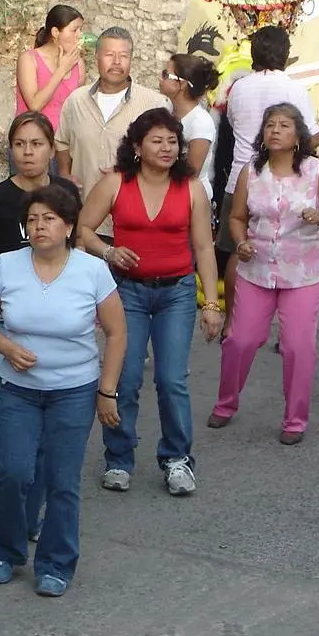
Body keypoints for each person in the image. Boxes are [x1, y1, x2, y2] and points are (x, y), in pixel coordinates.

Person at [0, 185, 127, 598]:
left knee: (62, 480)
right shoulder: (7, 265)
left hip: (74, 391)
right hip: (18, 390)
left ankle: (56, 563)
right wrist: (7, 347)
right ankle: (5, 552)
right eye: (33, 220)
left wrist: (107, 390)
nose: (39, 226)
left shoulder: (92, 271)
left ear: (69, 226)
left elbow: (117, 333)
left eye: (49, 219)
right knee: (13, 472)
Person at [78, 108, 222, 494]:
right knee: (125, 378)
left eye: (173, 141)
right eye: (156, 141)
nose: (166, 148)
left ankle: (177, 459)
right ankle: (118, 458)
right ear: (137, 147)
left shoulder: (191, 188)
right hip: (128, 291)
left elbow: (204, 248)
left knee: (171, 380)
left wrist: (211, 305)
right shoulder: (115, 183)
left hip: (177, 292)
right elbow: (83, 230)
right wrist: (109, 252)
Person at [0, 111, 79, 544]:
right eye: (20, 144)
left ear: (51, 148)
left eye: (37, 144)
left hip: (49, 324)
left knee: (43, 427)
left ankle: (27, 515)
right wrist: (16, 272)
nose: (28, 153)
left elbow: (75, 252)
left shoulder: (65, 195)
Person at [209, 103, 319, 444]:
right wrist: (241, 242)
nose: (275, 130)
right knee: (241, 340)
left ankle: (295, 421)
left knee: (297, 346)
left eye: (284, 125)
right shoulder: (251, 172)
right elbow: (237, 218)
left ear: (298, 135)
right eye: (270, 124)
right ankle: (226, 403)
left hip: (303, 273)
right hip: (256, 268)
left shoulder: (315, 171)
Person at [217, 27, 319, 336]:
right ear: (285, 55)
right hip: (278, 178)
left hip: (240, 176)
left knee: (237, 251)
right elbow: (308, 141)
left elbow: (234, 125)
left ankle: (233, 321)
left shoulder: (239, 88)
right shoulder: (294, 89)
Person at [54, 26, 166, 235]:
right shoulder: (76, 101)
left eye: (123, 56)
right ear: (96, 57)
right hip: (82, 217)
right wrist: (64, 173)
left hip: (132, 220)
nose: (116, 62)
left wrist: (132, 170)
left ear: (131, 59)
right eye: (109, 55)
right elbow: (61, 141)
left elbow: (166, 155)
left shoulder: (154, 104)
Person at [14, 5, 86, 165]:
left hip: (64, 148)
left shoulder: (78, 64)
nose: (79, 36)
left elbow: (79, 107)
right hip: (31, 144)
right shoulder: (29, 59)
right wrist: (61, 70)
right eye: (74, 30)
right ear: (55, 32)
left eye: (81, 30)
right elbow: (34, 105)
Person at [160, 52, 221, 201]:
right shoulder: (165, 110)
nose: (160, 79)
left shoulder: (200, 122)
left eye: (166, 75)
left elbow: (191, 173)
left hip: (190, 198)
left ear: (182, 84)